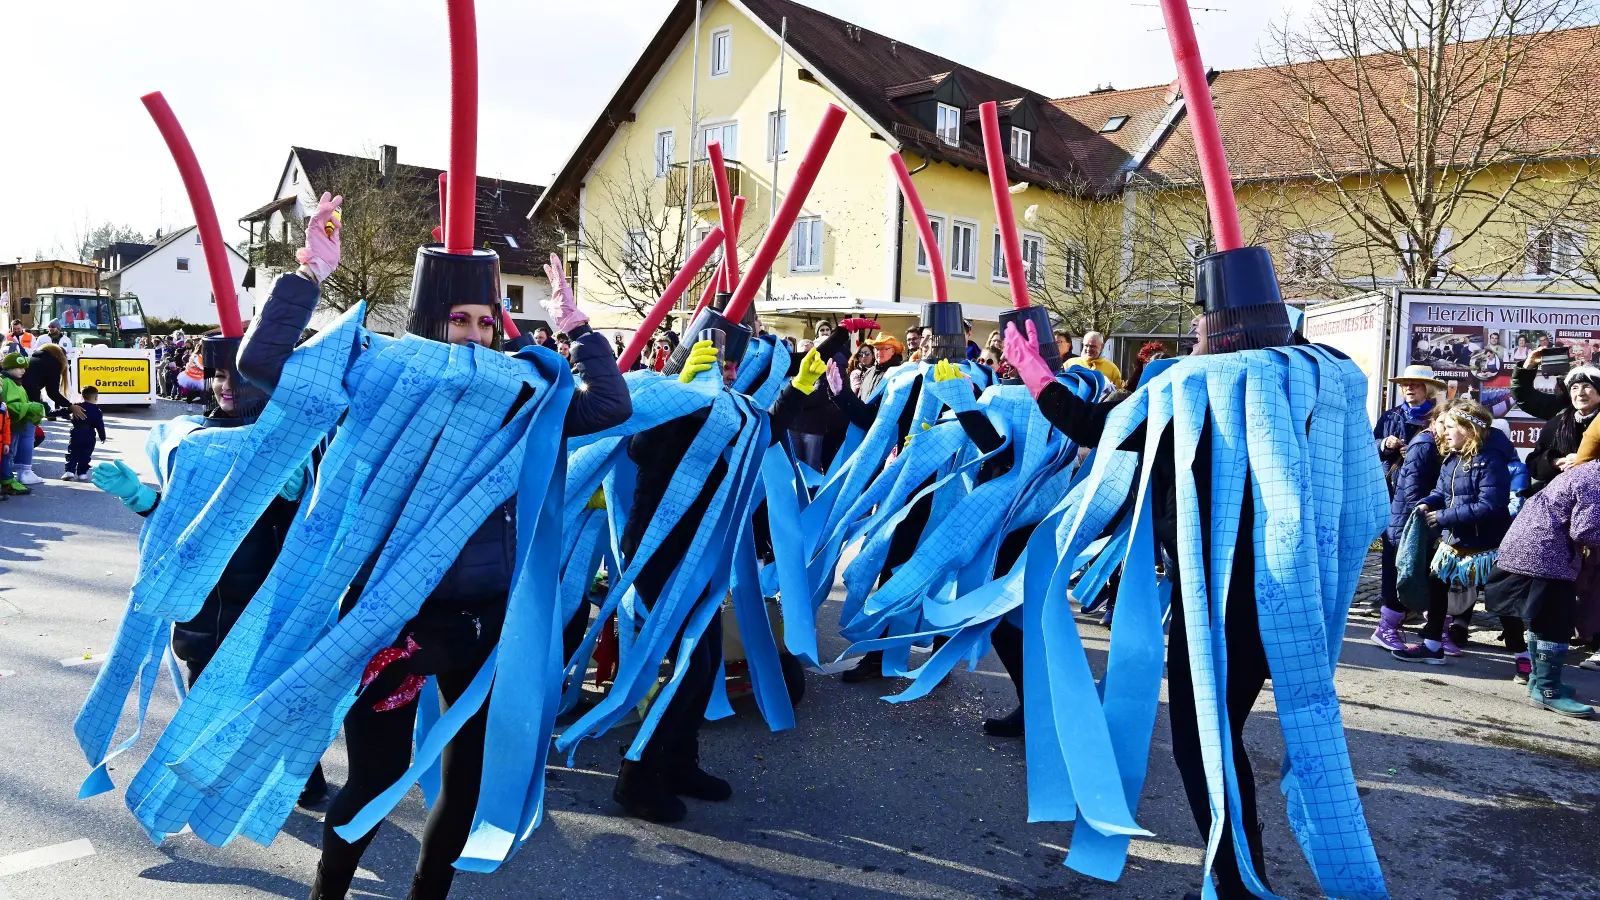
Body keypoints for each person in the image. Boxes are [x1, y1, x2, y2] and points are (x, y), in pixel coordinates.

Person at [239, 208, 631, 899]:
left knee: (468, 778)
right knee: (376, 780)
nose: (476, 335)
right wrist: (310, 276)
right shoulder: (385, 378)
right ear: (429, 321)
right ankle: (328, 893)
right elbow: (264, 365)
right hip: (398, 632)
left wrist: (577, 332)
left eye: (487, 321)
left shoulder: (519, 392)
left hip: (482, 629)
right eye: (460, 320)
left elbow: (607, 411)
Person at [1395, 399, 1514, 664]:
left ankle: (1523, 657)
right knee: (1437, 586)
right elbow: (1441, 491)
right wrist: (1427, 502)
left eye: (1450, 427)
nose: (1443, 431)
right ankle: (1432, 645)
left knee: (1501, 600)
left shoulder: (1491, 460)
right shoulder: (1452, 457)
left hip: (1487, 545)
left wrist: (1443, 516)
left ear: (1469, 429)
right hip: (1454, 541)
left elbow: (1491, 505)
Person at [1483, 458, 1600, 716]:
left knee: (1545, 617)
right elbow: (1586, 531)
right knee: (1557, 621)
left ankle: (1539, 680)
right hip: (1545, 553)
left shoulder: (1589, 472)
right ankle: (1548, 690)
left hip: (1534, 547)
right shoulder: (1596, 479)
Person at [1370, 364, 1445, 615]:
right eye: (1405, 384)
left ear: (1428, 389)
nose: (1408, 388)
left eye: (1415, 384)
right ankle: (1390, 598)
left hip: (1426, 488)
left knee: (1422, 545)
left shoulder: (1437, 418)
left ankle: (1416, 600)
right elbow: (1371, 445)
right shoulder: (1390, 416)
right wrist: (1384, 444)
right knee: (1392, 541)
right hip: (1393, 490)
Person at [1515, 351, 1599, 496]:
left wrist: (1584, 461)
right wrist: (1554, 462)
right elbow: (1534, 463)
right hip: (1560, 498)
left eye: (1586, 386)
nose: (1580, 393)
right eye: (1574, 388)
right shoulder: (1557, 423)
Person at [2, 352, 44, 495]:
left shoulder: (16, 382)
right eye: (19, 367)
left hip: (16, 425)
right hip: (10, 426)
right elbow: (9, 406)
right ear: (9, 367)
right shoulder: (7, 382)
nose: (23, 371)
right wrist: (29, 407)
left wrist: (31, 406)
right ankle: (7, 481)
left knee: (9, 453)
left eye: (24, 368)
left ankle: (7, 479)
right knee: (7, 453)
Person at [53, 385, 106, 480]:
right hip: (90, 435)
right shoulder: (97, 411)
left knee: (73, 452)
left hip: (76, 432)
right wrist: (102, 436)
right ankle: (82, 473)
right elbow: (100, 425)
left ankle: (70, 471)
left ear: (82, 396)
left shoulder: (76, 406)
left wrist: (50, 413)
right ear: (96, 397)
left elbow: (63, 411)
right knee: (86, 454)